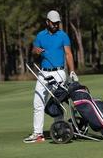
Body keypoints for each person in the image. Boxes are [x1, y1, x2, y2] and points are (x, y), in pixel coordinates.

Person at [23, 10, 79, 143]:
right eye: (53, 23)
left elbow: (68, 54)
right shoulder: (40, 36)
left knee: (56, 101)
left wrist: (72, 71)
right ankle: (38, 134)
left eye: (57, 23)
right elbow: (34, 52)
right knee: (38, 102)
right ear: (47, 22)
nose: (55, 25)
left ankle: (59, 129)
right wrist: (36, 51)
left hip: (59, 72)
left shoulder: (63, 35)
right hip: (43, 72)